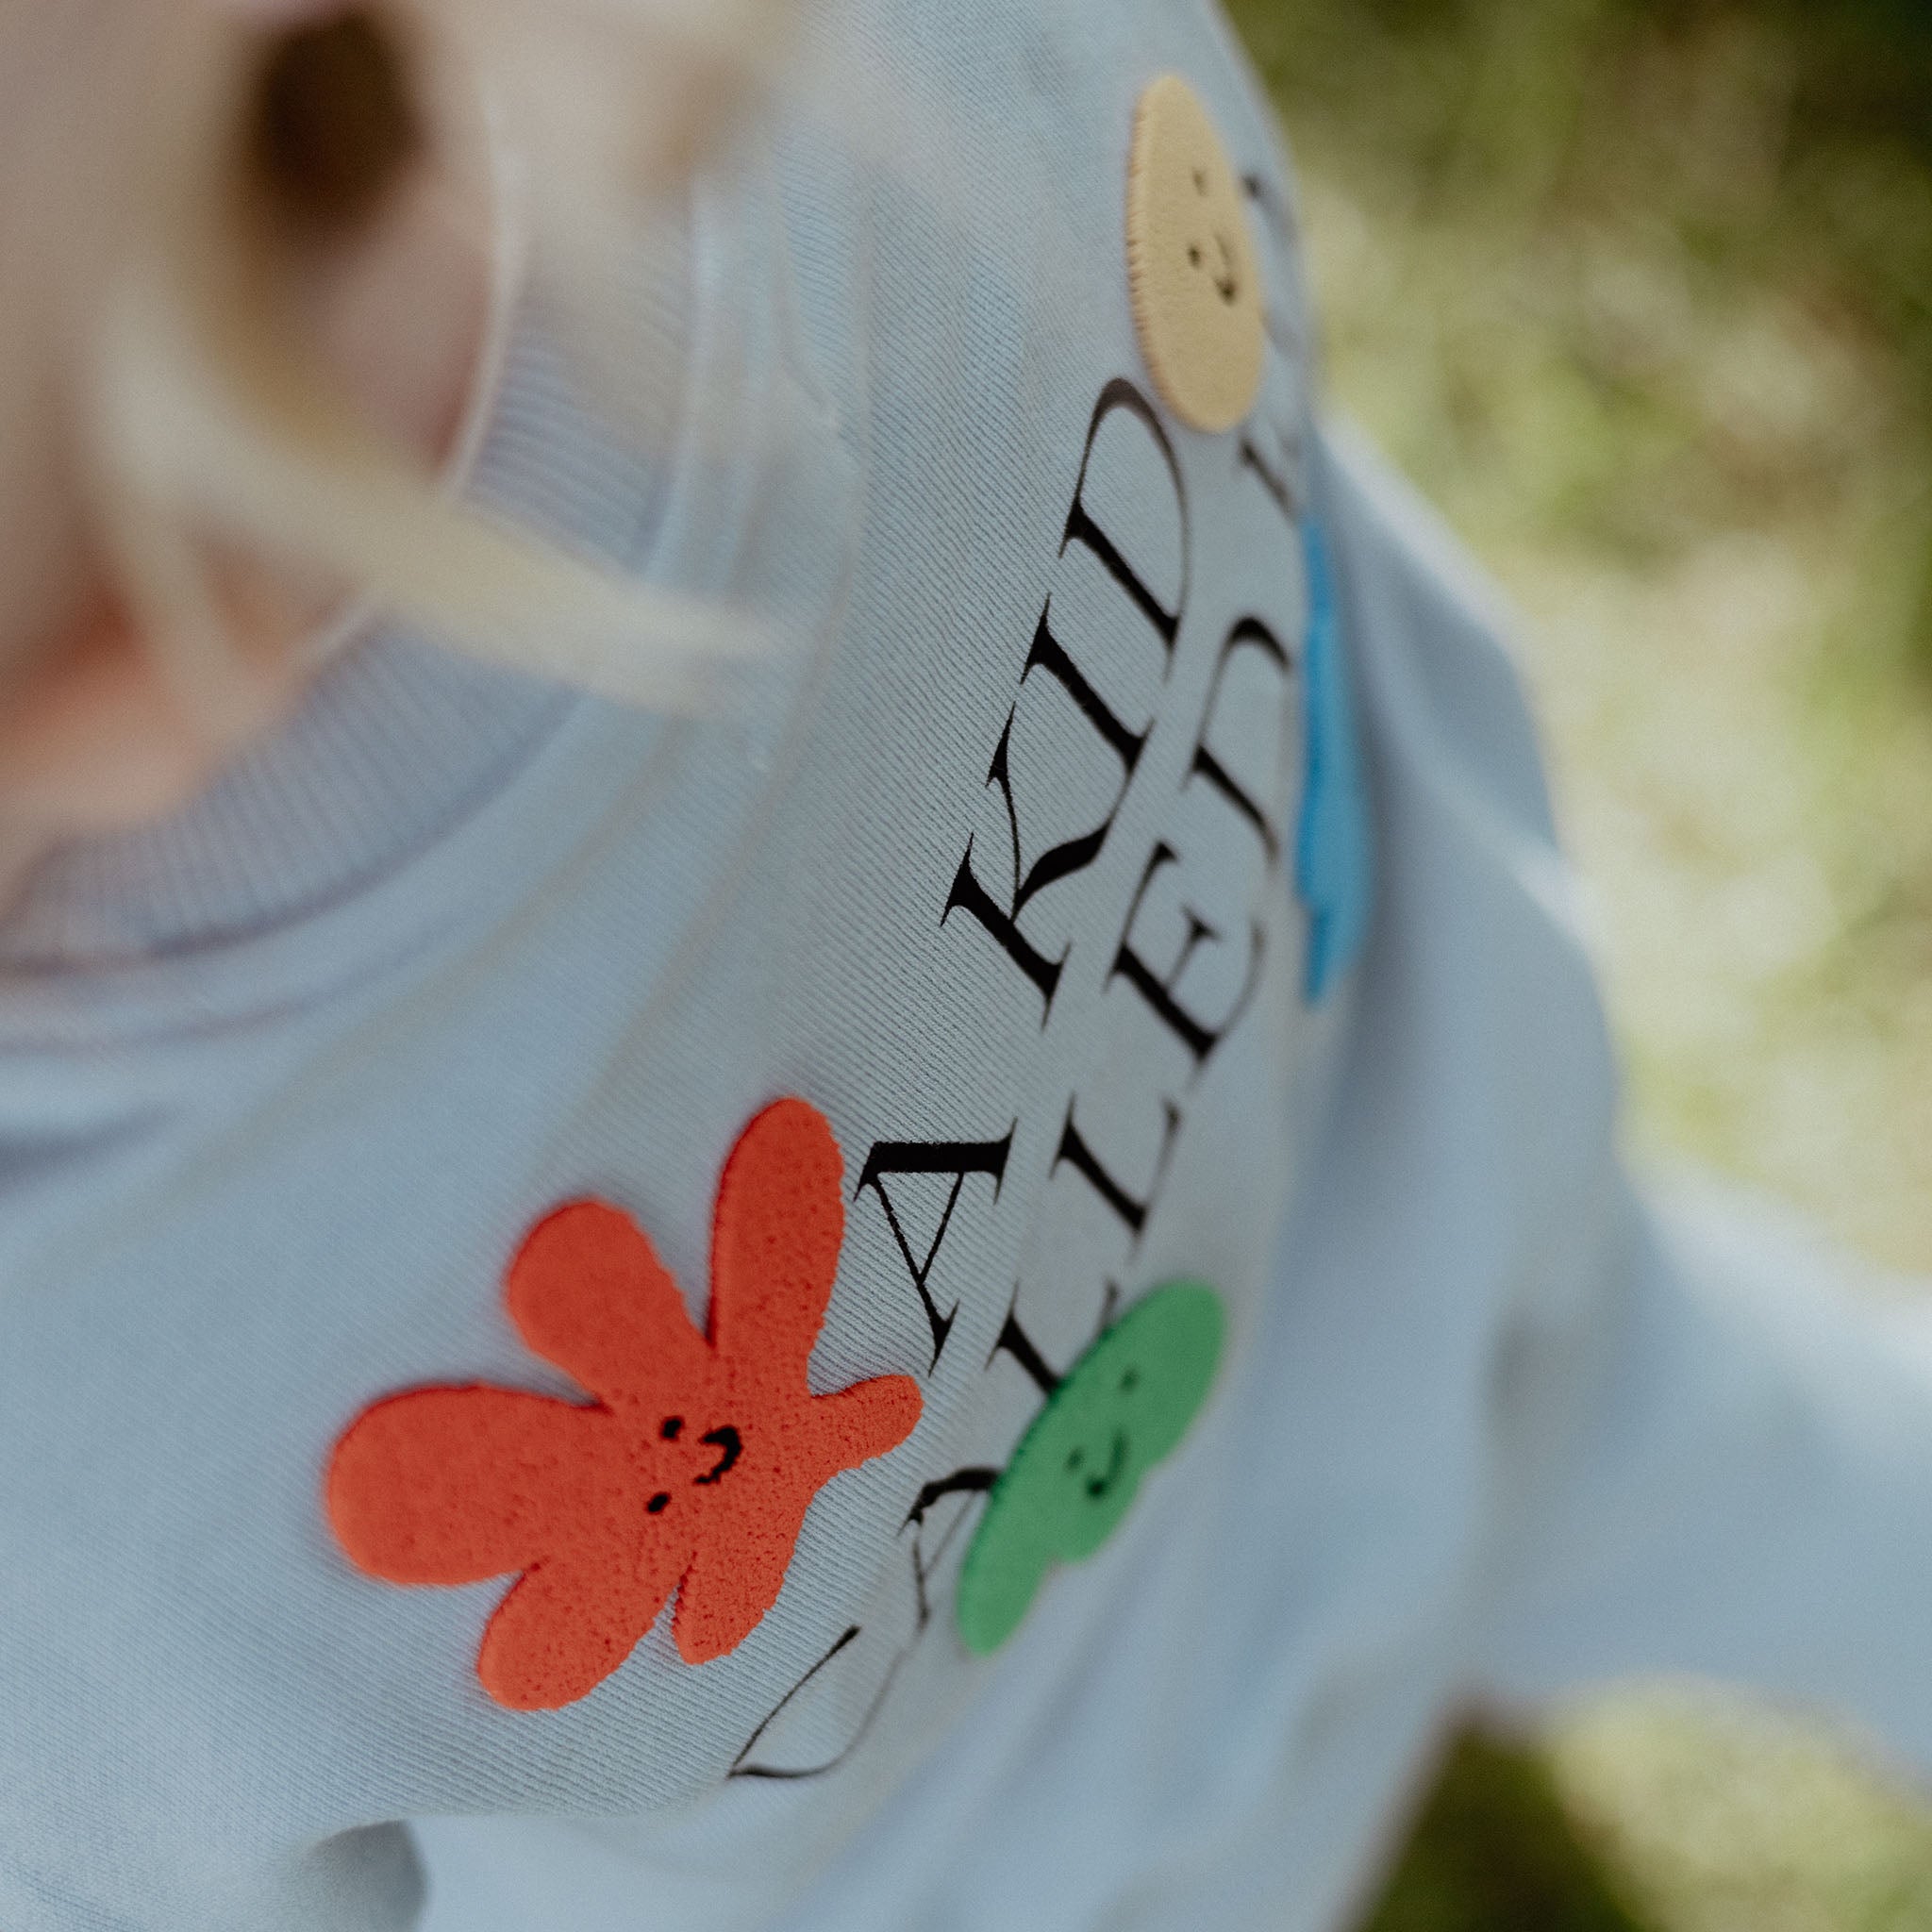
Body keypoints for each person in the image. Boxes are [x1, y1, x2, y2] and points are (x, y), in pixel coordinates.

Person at [3, 2, 1928, 1929]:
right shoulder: (882, 60)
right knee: (1810, 1491)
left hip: (1068, 1869)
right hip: (1461, 1233)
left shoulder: (63, 1502)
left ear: (100, 703)